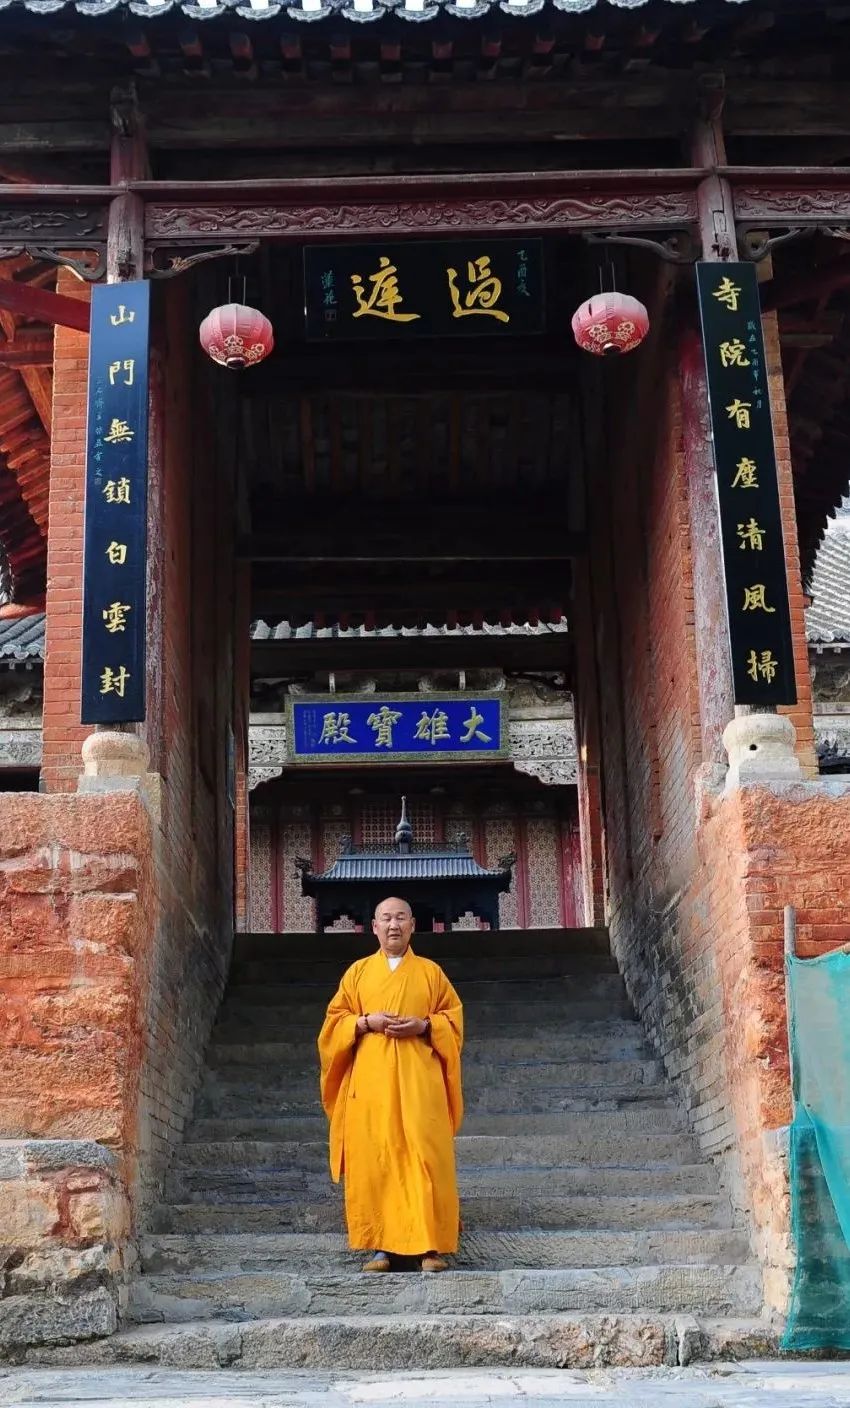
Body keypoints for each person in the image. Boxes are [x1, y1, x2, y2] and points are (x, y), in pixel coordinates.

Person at [318, 895, 464, 1274]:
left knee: (424, 1157)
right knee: (378, 1158)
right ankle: (382, 1248)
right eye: (386, 918)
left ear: (413, 925)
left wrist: (425, 1026)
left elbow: (454, 1022)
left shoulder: (432, 973)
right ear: (375, 927)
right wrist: (366, 1022)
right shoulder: (357, 974)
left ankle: (429, 1247)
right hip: (372, 1083)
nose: (394, 925)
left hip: (420, 1081)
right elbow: (333, 1026)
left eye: (401, 917)